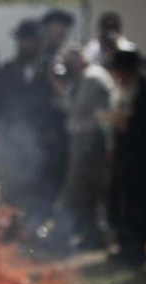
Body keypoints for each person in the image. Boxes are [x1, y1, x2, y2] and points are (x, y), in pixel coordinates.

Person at [0, 19, 67, 233]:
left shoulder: (51, 69)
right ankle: (12, 223)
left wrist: (49, 130)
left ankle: (36, 225)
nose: (26, 45)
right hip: (14, 137)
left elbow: (58, 103)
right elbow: (0, 104)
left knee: (41, 182)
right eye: (23, 41)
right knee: (12, 181)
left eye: (31, 41)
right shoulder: (8, 69)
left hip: (42, 137)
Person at [53, 47, 114, 251]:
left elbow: (76, 109)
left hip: (89, 139)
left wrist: (60, 88)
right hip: (86, 138)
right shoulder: (87, 77)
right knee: (87, 190)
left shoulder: (90, 78)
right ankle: (93, 235)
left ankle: (66, 234)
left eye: (69, 63)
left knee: (78, 187)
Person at [107, 50, 146, 268]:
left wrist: (128, 126)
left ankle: (135, 252)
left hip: (141, 161)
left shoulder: (144, 91)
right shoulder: (124, 91)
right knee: (121, 204)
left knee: (138, 208)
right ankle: (124, 247)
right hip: (124, 159)